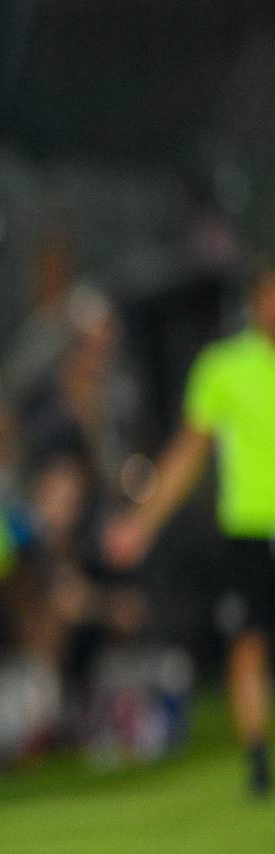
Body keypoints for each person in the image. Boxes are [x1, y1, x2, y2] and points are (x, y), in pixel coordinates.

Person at [105, 270, 275, 796]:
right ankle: (257, 761)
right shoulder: (224, 367)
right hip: (251, 526)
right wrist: (142, 523)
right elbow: (188, 454)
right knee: (249, 640)